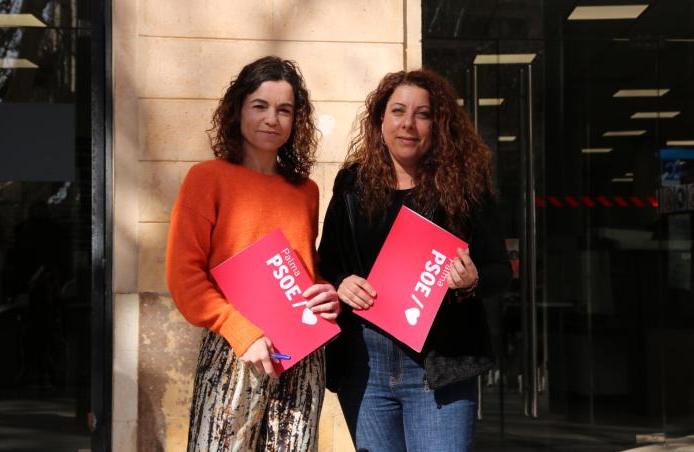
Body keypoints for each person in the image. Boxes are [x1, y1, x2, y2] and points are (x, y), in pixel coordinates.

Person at [318, 69, 512, 451]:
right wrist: (341, 282)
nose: (408, 123)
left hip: (439, 365)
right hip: (365, 365)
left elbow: (500, 270)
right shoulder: (352, 184)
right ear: (380, 120)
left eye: (423, 114)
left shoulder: (466, 188)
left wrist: (472, 281)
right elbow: (327, 262)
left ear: (438, 126)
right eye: (398, 111)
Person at [166, 56, 340, 451]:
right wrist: (241, 333)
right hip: (235, 348)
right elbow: (184, 276)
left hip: (301, 354)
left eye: (284, 110)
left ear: (296, 120)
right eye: (260, 106)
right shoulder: (206, 179)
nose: (271, 119)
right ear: (238, 109)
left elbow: (305, 269)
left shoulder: (305, 191)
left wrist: (327, 294)